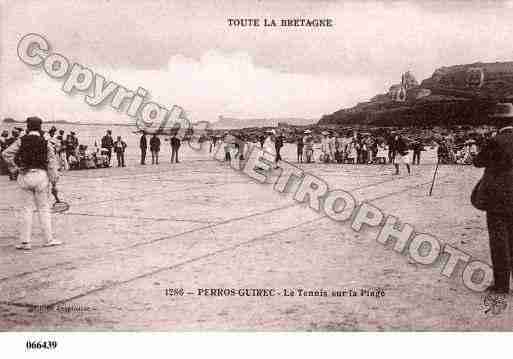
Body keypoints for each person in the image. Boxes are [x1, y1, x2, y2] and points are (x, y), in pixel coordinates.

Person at [1, 116, 62, 249]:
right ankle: (48, 239)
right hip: (41, 176)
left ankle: (25, 242)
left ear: (28, 127)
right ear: (40, 127)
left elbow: (6, 154)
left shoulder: (21, 141)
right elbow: (52, 163)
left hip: (24, 176)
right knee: (44, 209)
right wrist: (54, 182)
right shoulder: (45, 142)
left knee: (26, 209)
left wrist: (14, 168)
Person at [473, 123, 513, 293]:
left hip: (497, 200)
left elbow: (478, 162)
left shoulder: (495, 141)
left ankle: (502, 285)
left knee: (499, 242)